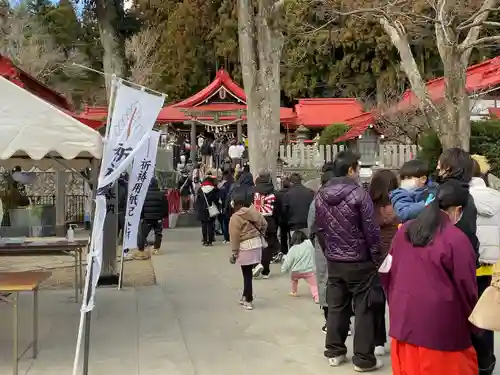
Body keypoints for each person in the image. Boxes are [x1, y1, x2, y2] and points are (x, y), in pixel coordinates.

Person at [382, 180, 478, 375]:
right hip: (440, 328)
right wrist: (474, 322)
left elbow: (386, 271)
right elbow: (467, 287)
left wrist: (395, 300)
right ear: (458, 210)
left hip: (404, 319)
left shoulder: (405, 230)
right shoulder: (456, 239)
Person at [315, 150, 382, 371]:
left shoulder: (321, 194)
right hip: (360, 260)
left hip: (335, 259)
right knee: (364, 308)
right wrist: (376, 257)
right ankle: (363, 358)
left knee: (337, 306)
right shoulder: (360, 194)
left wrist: (329, 251)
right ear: (351, 169)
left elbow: (320, 229)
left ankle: (334, 351)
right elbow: (371, 230)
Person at [469, 156, 499, 375]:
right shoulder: (497, 197)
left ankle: (469, 361)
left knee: (465, 314)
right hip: (492, 266)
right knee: (484, 317)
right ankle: (486, 363)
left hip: (469, 264)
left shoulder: (461, 198)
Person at [368, 169, 400, 356]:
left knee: (375, 301)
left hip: (375, 257)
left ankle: (378, 341)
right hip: (396, 257)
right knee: (396, 300)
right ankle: (398, 336)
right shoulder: (400, 206)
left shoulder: (367, 206)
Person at [229, 186, 267, 310]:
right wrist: (259, 233)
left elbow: (234, 236)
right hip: (257, 244)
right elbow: (264, 224)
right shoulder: (254, 211)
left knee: (247, 274)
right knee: (248, 274)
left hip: (245, 246)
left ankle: (248, 300)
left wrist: (234, 253)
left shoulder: (235, 218)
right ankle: (245, 295)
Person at [308, 163, 334, 334]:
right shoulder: (354, 196)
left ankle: (329, 321)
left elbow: (311, 227)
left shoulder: (317, 201)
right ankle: (344, 322)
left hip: (323, 245)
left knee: (325, 281)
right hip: (348, 247)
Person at [251, 169, 281, 279]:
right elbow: (277, 210)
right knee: (268, 246)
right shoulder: (274, 193)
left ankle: (256, 264)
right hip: (270, 222)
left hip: (256, 221)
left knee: (255, 244)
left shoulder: (253, 191)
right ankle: (266, 270)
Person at [136, 177, 169, 260]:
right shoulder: (162, 194)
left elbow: (141, 207)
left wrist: (142, 217)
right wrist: (164, 216)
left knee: (142, 234)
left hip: (147, 218)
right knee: (158, 233)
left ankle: (141, 250)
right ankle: (156, 249)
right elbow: (165, 207)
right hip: (158, 218)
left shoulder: (144, 194)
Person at [281, 230, 318, 303]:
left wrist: (284, 269)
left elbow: (288, 261)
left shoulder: (293, 249)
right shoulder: (309, 244)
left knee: (293, 279)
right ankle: (317, 297)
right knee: (313, 284)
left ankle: (294, 291)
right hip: (308, 270)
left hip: (296, 271)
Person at [195, 175, 219, 246]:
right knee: (210, 225)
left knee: (204, 225)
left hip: (202, 210)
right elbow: (216, 200)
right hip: (211, 209)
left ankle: (205, 240)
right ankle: (210, 241)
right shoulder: (214, 189)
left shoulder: (200, 189)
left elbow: (198, 201)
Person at [218, 171, 233, 243]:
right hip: (233, 207)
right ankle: (232, 237)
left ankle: (226, 238)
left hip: (225, 207)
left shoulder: (223, 186)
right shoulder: (234, 185)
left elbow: (220, 197)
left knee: (225, 223)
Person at [277, 177, 291, 256]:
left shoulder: (278, 193)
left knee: (283, 236)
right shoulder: (292, 193)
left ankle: (284, 251)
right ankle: (292, 251)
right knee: (291, 236)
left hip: (282, 218)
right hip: (290, 217)